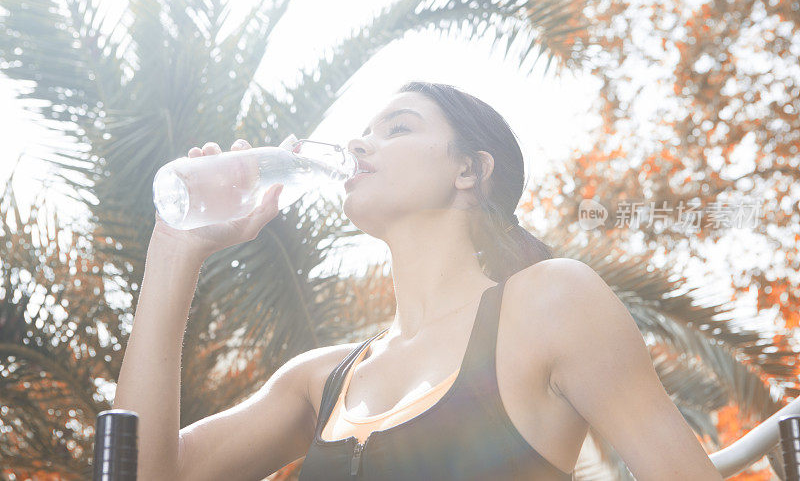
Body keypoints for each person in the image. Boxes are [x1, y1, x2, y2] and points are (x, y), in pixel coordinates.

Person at [113, 81, 724, 480]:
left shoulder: (552, 302)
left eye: (397, 128)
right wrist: (176, 249)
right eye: (365, 131)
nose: (357, 144)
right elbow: (138, 473)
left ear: (468, 170)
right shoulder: (319, 380)